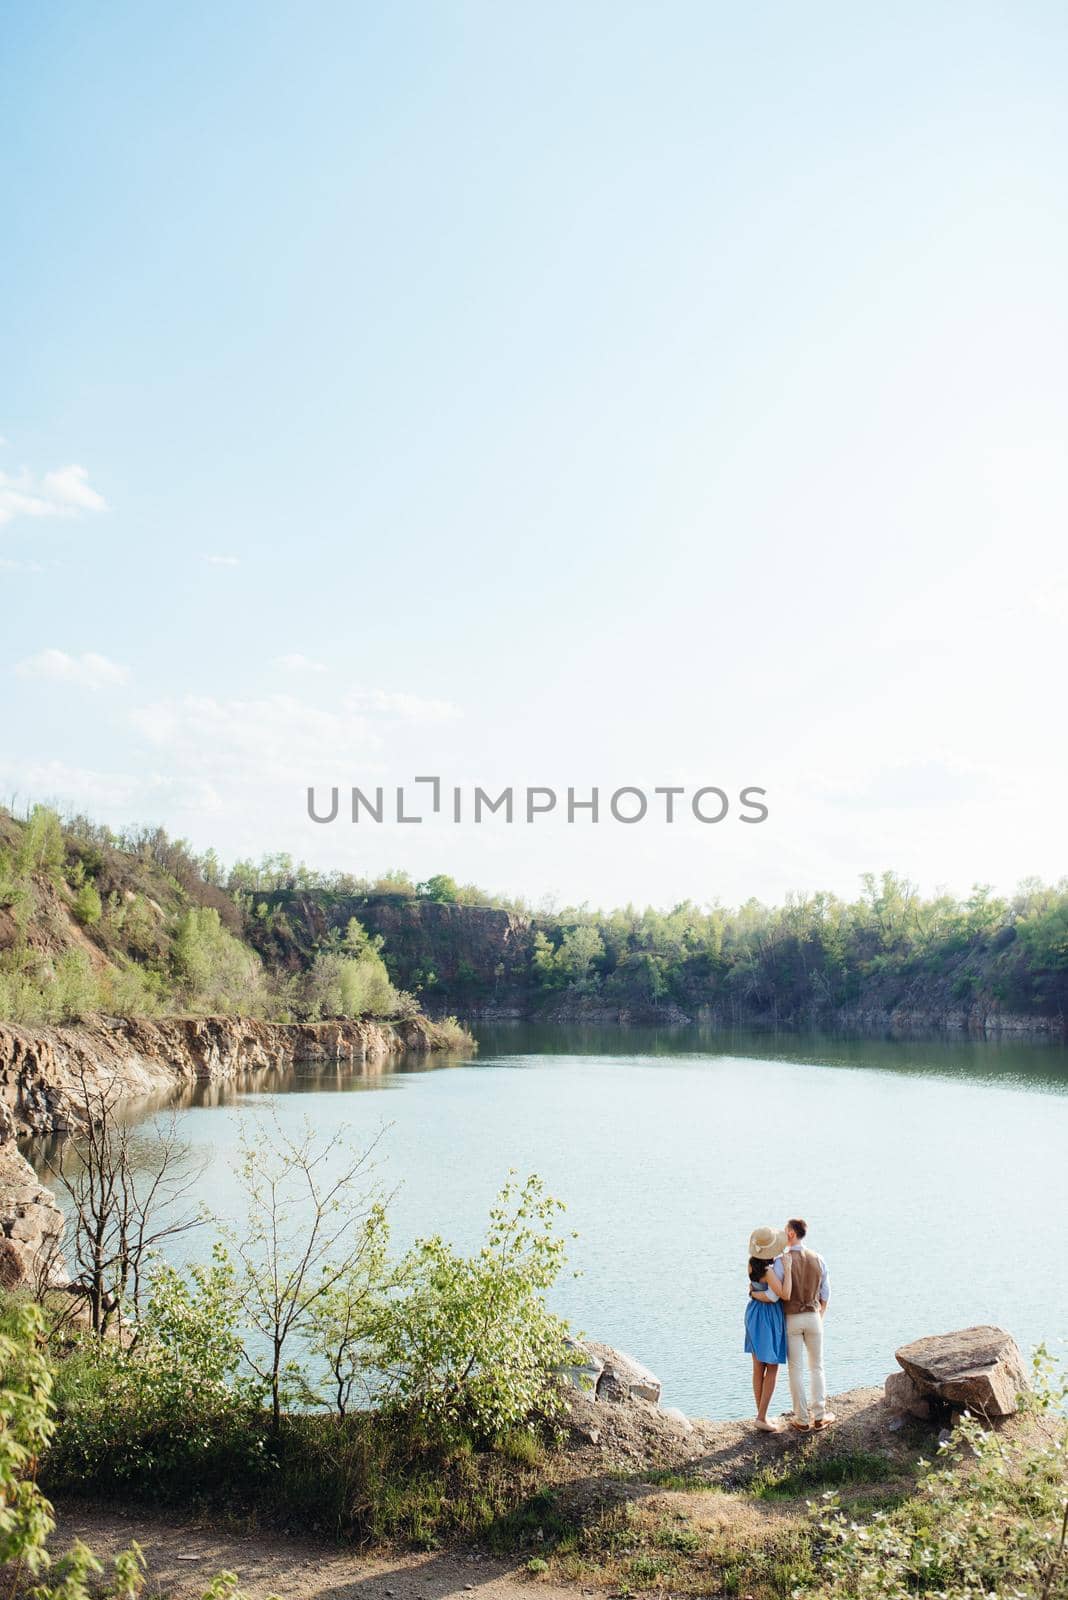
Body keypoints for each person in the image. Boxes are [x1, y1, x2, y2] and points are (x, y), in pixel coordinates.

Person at [770, 1217, 834, 1433]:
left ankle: (802, 1419)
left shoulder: (781, 1261)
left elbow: (776, 1294)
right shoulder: (819, 1258)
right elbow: (826, 1293)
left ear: (790, 1233)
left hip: (792, 1318)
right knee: (817, 1367)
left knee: (795, 1369)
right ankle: (819, 1416)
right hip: (814, 1316)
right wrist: (819, 1314)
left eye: (784, 1230)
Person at [744, 1225, 793, 1432]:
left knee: (758, 1367)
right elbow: (785, 1294)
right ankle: (762, 1417)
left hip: (754, 1313)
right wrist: (788, 1271)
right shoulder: (768, 1271)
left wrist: (754, 1294)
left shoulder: (751, 1265)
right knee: (772, 1367)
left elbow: (753, 1290)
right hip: (768, 1316)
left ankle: (761, 1415)